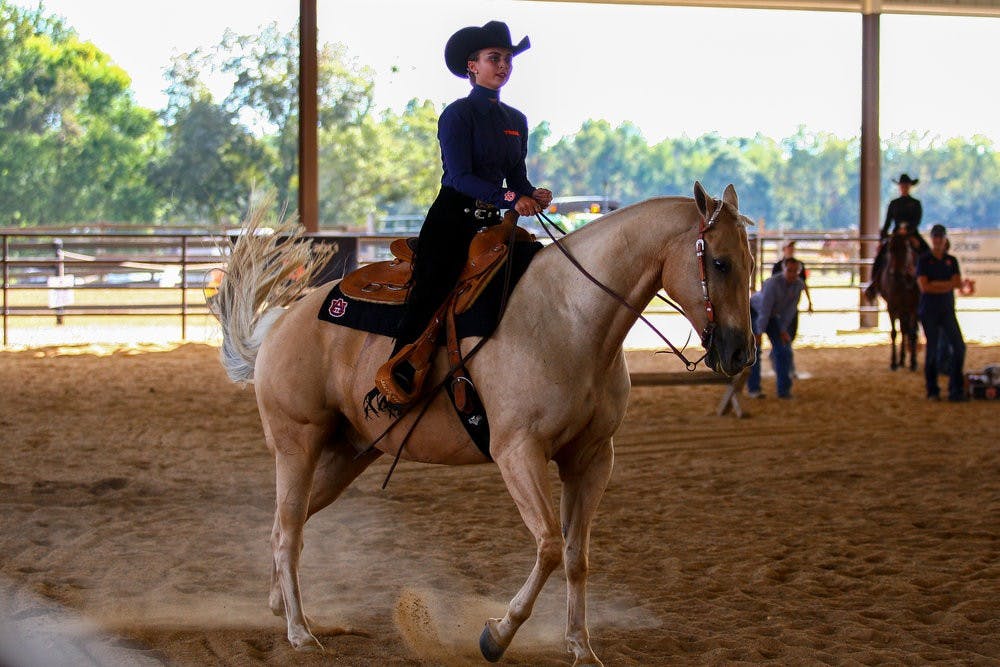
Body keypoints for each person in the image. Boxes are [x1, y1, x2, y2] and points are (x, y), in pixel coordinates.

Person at [384, 20, 552, 394]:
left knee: (535, 269)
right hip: (452, 219)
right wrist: (511, 198)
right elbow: (459, 176)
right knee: (432, 286)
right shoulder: (457, 115)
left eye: (508, 59)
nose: (504, 65)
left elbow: (517, 178)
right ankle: (400, 370)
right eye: (495, 58)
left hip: (492, 221)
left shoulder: (516, 121)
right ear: (472, 66)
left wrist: (532, 193)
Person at [916, 224, 967, 402]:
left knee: (959, 347)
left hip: (947, 311)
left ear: (945, 239)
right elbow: (924, 287)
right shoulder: (923, 260)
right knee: (932, 349)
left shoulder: (951, 261)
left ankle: (956, 388)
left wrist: (936, 284)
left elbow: (956, 283)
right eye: (935, 237)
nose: (937, 240)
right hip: (929, 311)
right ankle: (932, 390)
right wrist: (946, 285)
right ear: (932, 239)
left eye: (940, 237)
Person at [747, 258, 805, 399]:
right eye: (789, 270)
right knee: (755, 350)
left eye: (795, 271)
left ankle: (784, 391)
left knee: (783, 350)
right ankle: (754, 389)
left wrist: (783, 329)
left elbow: (790, 310)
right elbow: (764, 309)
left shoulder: (799, 285)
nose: (792, 274)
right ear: (783, 270)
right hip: (755, 311)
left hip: (772, 315)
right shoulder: (772, 283)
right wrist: (759, 332)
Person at [867, 173, 928, 300]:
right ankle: (873, 283)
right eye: (902, 185)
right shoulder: (893, 204)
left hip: (912, 233)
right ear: (899, 187)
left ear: (910, 186)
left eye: (906, 185)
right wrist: (882, 240)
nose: (904, 187)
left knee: (926, 252)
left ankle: (930, 282)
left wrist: (908, 231)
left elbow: (917, 221)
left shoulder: (916, 203)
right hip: (896, 235)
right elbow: (887, 223)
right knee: (880, 256)